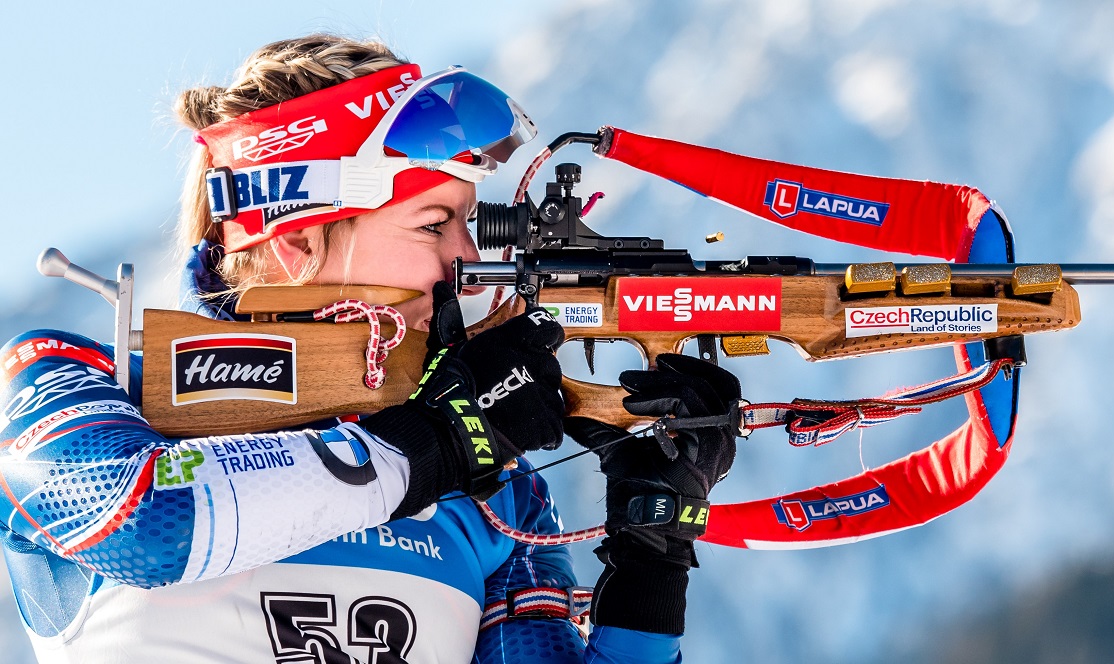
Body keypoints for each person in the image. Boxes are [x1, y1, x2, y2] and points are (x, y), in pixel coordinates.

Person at [0, 35, 739, 663]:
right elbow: (144, 527)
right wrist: (442, 440)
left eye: (468, 224)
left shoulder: (497, 496)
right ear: (293, 238)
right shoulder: (74, 382)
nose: (466, 259)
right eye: (432, 224)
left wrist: (654, 551)